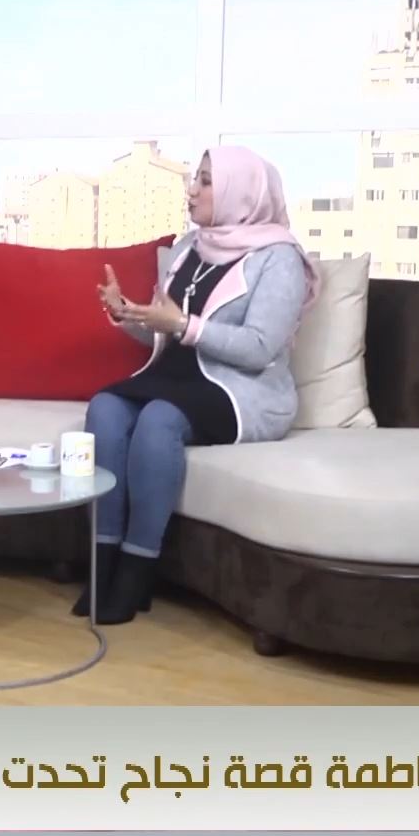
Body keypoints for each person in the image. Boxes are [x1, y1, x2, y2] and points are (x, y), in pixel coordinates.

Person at [80, 146, 319, 625]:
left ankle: (137, 571)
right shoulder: (191, 247)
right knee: (104, 408)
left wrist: (183, 325)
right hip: (178, 377)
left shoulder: (279, 259)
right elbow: (166, 329)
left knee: (158, 420)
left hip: (242, 390)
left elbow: (259, 348)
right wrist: (127, 314)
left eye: (206, 181)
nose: (192, 191)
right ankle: (101, 560)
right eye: (195, 179)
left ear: (240, 192)